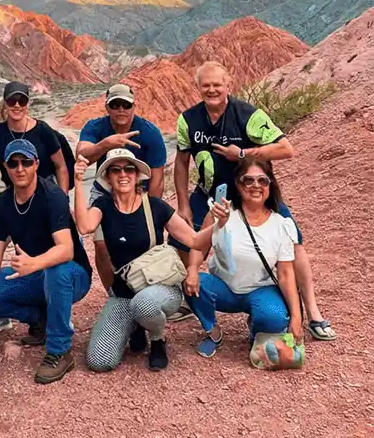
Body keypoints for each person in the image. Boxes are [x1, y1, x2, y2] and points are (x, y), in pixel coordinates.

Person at [174, 60, 334, 340]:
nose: (212, 90)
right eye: (206, 85)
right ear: (198, 87)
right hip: (209, 193)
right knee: (180, 240)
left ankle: (313, 311)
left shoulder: (248, 115)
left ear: (228, 85)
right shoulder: (188, 119)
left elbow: (286, 149)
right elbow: (181, 160)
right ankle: (199, 291)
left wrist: (244, 154)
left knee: (294, 242)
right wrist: (183, 203)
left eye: (217, 84)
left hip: (250, 190)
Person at [0, 139, 92, 385]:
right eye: (13, 163)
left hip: (73, 274)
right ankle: (40, 320)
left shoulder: (52, 196)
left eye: (26, 162)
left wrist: (34, 263)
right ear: (5, 167)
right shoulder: (3, 203)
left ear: (36, 164)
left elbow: (66, 250)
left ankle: (59, 350)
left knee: (56, 271)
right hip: (35, 274)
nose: (20, 168)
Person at [74, 148, 217, 373]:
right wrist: (78, 181)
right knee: (100, 360)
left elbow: (194, 240)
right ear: (108, 177)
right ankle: (137, 326)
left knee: (144, 304)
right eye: (116, 169)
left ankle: (158, 339)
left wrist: (219, 223)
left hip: (160, 289)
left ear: (137, 174)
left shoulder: (156, 206)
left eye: (129, 168)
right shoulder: (102, 206)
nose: (123, 174)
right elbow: (84, 226)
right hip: (123, 292)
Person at [183, 159, 304, 358]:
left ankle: (257, 330)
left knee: (274, 319)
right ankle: (213, 333)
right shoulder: (221, 214)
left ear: (269, 185)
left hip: (260, 288)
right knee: (194, 284)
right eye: (249, 180)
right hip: (224, 287)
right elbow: (198, 246)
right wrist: (193, 269)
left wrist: (297, 317)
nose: (256, 186)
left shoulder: (281, 225)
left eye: (262, 181)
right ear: (238, 185)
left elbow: (285, 273)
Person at [0, 81, 71, 337]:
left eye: (22, 100)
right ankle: (5, 310)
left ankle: (53, 313)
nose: (17, 106)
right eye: (12, 101)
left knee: (49, 251)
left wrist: (62, 200)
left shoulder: (43, 132)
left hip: (45, 199)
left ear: (28, 102)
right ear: (5, 104)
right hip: (13, 200)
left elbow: (61, 166)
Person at [76, 82, 168, 318]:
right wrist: (107, 144)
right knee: (101, 244)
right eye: (115, 105)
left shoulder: (149, 132)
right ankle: (115, 296)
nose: (120, 110)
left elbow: (157, 177)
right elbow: (82, 153)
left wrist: (152, 211)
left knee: (143, 244)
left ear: (133, 106)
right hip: (104, 190)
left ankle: (145, 295)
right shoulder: (96, 126)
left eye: (125, 105)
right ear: (107, 107)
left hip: (140, 192)